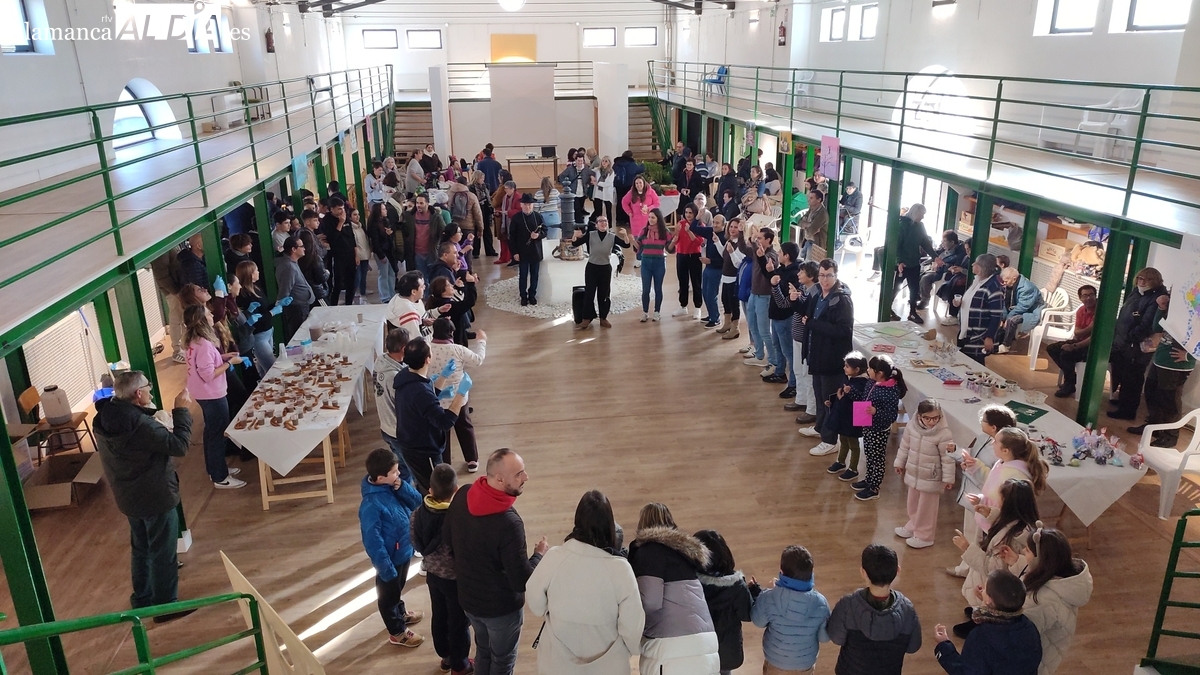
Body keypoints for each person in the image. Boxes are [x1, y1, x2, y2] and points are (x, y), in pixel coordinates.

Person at [94, 372, 195, 622]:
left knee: (141, 549)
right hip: (155, 495)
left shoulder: (104, 416)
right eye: (148, 387)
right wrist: (181, 411)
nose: (150, 391)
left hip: (128, 495)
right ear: (138, 394)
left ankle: (142, 599)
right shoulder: (140, 425)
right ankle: (165, 607)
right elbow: (179, 446)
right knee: (163, 552)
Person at [444, 448, 549, 675]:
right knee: (502, 661)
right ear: (500, 479)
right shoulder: (509, 523)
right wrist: (539, 555)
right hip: (501, 610)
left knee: (483, 650)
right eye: (519, 474)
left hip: (469, 600)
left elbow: (447, 540)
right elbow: (521, 581)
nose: (526, 477)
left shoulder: (463, 494)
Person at [526, 491, 645, 675]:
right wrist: (632, 649)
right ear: (609, 523)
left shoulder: (555, 557)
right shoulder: (621, 570)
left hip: (556, 662)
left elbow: (535, 603)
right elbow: (632, 625)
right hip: (609, 665)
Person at [627, 503, 721, 675]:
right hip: (706, 645)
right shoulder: (685, 554)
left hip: (671, 649)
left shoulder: (649, 551)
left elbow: (650, 602)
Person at [951, 478, 1040, 638]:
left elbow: (992, 569)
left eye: (1001, 500)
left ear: (1008, 504)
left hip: (993, 585)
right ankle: (979, 610)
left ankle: (981, 620)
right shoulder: (1025, 525)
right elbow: (1008, 522)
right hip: (998, 581)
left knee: (989, 600)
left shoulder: (1008, 539)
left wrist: (967, 548)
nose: (998, 503)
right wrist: (991, 514)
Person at [359, 448, 425, 648]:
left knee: (397, 590)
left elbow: (417, 503)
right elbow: (372, 541)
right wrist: (385, 568)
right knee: (388, 597)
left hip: (403, 551)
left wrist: (402, 487)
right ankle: (397, 632)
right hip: (389, 561)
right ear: (380, 478)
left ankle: (401, 613)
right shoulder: (370, 505)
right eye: (395, 472)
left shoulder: (394, 486)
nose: (399, 474)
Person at [410, 464, 474, 675]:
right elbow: (463, 552)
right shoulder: (457, 519)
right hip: (455, 580)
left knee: (439, 615)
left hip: (433, 576)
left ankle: (445, 657)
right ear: (456, 490)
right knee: (458, 622)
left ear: (430, 490)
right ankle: (460, 664)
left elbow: (414, 541)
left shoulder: (418, 513)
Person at [1003, 528, 1092, 675]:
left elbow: (1016, 635)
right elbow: (1034, 576)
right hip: (1046, 654)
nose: (1023, 551)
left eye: (1028, 550)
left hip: (1031, 664)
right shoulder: (1063, 580)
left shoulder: (1040, 601)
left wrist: (992, 605)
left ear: (1041, 559)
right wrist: (1017, 562)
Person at [826, 544, 922, 675]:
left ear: (863, 572)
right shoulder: (908, 610)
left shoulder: (847, 605)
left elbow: (836, 638)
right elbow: (913, 647)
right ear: (897, 571)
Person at [181, 304, 246, 489]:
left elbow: (205, 362)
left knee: (211, 432)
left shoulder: (194, 341)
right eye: (208, 313)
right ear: (202, 320)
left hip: (202, 393)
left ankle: (215, 468)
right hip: (211, 394)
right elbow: (208, 374)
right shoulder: (204, 345)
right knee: (218, 433)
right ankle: (220, 477)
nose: (211, 314)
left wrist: (223, 357)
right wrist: (230, 363)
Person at [933, 570, 1042, 675]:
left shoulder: (980, 637)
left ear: (989, 599)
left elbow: (966, 672)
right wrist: (987, 601)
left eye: (985, 588)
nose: (982, 589)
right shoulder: (1029, 627)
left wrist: (944, 646)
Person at [394, 338, 467, 493]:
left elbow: (422, 403)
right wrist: (461, 394)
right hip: (423, 450)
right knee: (434, 489)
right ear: (428, 359)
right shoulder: (420, 391)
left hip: (409, 442)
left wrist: (443, 378)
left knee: (424, 485)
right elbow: (445, 422)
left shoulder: (404, 375)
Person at [800, 259, 855, 457]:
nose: (825, 280)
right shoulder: (817, 293)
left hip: (832, 359)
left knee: (830, 400)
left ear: (836, 275)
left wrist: (813, 324)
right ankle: (820, 428)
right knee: (819, 395)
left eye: (829, 275)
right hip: (816, 355)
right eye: (822, 275)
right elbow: (806, 316)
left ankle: (830, 440)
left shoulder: (841, 300)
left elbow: (843, 331)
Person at [751, 545, 830, 675]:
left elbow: (757, 621)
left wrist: (766, 591)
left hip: (775, 661)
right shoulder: (821, 603)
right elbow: (824, 637)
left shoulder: (769, 597)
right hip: (805, 664)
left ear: (781, 572)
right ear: (811, 572)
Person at [1131, 293, 1197, 443]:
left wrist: (1189, 356)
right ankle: (1154, 427)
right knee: (1151, 392)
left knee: (1169, 400)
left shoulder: (1194, 315)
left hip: (1176, 366)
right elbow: (1157, 328)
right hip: (1160, 360)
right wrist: (1161, 309)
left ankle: (1170, 436)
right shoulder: (1173, 310)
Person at [894, 399, 957, 548]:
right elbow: (904, 446)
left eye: (935, 418)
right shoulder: (911, 427)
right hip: (914, 472)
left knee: (927, 508)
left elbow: (947, 458)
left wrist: (948, 478)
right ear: (919, 416)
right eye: (927, 418)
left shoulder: (944, 434)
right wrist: (899, 463)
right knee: (913, 503)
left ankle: (925, 536)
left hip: (932, 477)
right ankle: (913, 525)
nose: (931, 422)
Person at [693, 529, 757, 675]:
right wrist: (753, 592)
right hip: (727, 652)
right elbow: (747, 614)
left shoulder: (690, 583)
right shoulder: (737, 587)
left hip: (700, 648)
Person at [1108, 267, 1168, 420]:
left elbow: (1148, 325)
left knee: (1133, 378)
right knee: (1124, 374)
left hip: (1137, 346)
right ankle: (1123, 402)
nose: (1141, 282)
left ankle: (1128, 411)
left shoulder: (1157, 298)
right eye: (1140, 278)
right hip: (1124, 342)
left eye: (1146, 279)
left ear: (1155, 281)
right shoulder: (1137, 292)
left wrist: (1131, 337)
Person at [427, 318, 485, 472]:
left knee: (442, 432)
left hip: (436, 399)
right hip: (458, 398)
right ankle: (472, 460)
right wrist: (481, 341)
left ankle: (445, 465)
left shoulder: (427, 349)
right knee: (464, 426)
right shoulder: (458, 349)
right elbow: (478, 360)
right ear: (451, 333)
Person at [852, 355, 907, 501]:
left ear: (880, 373)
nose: (868, 370)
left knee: (877, 458)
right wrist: (850, 392)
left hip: (878, 429)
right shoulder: (871, 382)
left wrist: (876, 412)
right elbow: (864, 398)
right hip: (867, 425)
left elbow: (891, 415)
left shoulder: (890, 390)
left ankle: (874, 488)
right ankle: (868, 480)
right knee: (869, 454)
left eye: (871, 368)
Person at [571, 216, 631, 329]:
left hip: (605, 268)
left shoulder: (612, 236)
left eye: (605, 221)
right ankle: (586, 318)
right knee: (589, 293)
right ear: (596, 224)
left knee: (604, 294)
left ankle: (603, 318)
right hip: (592, 267)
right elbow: (575, 244)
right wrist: (575, 235)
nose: (603, 223)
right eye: (600, 221)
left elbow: (626, 245)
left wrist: (625, 235)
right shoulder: (590, 235)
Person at [822, 351, 871, 482]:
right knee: (843, 440)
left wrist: (851, 392)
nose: (844, 368)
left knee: (853, 444)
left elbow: (862, 400)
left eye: (847, 366)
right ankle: (841, 461)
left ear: (857, 369)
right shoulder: (848, 378)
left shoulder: (863, 383)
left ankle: (853, 469)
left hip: (853, 419)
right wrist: (833, 401)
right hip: (843, 416)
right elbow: (841, 394)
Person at [234, 261, 288, 375]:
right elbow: (255, 320)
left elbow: (264, 308)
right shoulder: (244, 295)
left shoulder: (256, 288)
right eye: (256, 270)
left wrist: (278, 304)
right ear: (250, 274)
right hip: (258, 336)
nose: (258, 272)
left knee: (264, 369)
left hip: (268, 331)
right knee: (272, 368)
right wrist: (272, 313)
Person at [954, 254, 1006, 364]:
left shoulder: (993, 288)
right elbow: (972, 301)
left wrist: (989, 337)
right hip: (967, 331)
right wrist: (959, 303)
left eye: (976, 263)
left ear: (982, 267)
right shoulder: (977, 281)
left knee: (974, 364)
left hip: (979, 335)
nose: (972, 264)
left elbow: (996, 316)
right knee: (964, 363)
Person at [1048, 285, 1098, 398]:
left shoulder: (1100, 312)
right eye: (1085, 295)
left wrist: (1075, 346)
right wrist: (1089, 328)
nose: (1088, 298)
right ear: (1080, 298)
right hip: (1079, 340)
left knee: (1066, 354)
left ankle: (1069, 384)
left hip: (1092, 346)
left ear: (1095, 296)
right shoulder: (1081, 310)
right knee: (1052, 348)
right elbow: (1077, 332)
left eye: (1091, 295)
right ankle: (1071, 377)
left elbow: (1094, 338)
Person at [765, 241, 801, 393]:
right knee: (777, 346)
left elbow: (784, 300)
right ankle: (780, 372)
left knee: (789, 352)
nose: (778, 254)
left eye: (780, 252)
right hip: (776, 315)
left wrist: (774, 281)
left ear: (787, 256)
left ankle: (793, 384)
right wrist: (770, 272)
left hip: (785, 317)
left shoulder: (794, 274)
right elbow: (774, 283)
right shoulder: (782, 269)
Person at [785, 262, 821, 416]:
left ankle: (811, 409)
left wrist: (795, 300)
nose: (798, 274)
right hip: (798, 337)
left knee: (807, 374)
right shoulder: (804, 289)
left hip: (807, 339)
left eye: (802, 272)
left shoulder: (816, 292)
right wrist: (794, 297)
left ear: (811, 276)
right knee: (798, 370)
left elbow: (805, 311)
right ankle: (801, 400)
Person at [743, 228, 780, 373]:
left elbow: (769, 270)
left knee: (764, 330)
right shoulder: (757, 251)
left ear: (768, 240)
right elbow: (745, 248)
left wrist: (762, 256)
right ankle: (759, 354)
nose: (757, 240)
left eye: (760, 238)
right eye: (757, 238)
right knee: (752, 325)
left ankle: (773, 360)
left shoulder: (772, 255)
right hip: (754, 293)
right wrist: (744, 234)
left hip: (764, 296)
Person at [893, 204, 935, 324]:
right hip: (902, 264)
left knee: (914, 289)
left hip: (914, 263)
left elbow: (925, 242)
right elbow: (896, 245)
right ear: (916, 213)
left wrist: (935, 256)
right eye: (922, 214)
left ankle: (912, 312)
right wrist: (899, 261)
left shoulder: (920, 226)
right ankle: (887, 308)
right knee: (895, 288)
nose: (923, 217)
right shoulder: (902, 225)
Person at [716, 216, 753, 339]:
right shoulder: (730, 241)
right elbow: (724, 254)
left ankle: (735, 328)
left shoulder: (741, 245)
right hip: (725, 277)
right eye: (731, 226)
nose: (732, 229)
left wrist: (732, 252)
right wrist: (717, 242)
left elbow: (738, 263)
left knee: (733, 304)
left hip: (734, 278)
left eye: (735, 227)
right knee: (725, 300)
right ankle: (727, 323)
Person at [632, 209, 670, 322]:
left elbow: (670, 248)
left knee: (658, 289)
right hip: (646, 262)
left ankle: (657, 312)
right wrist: (632, 241)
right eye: (649, 217)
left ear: (658, 218)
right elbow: (638, 247)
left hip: (659, 262)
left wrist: (674, 240)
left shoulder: (665, 232)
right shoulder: (644, 231)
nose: (650, 219)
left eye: (653, 217)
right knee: (645, 289)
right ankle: (645, 312)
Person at [918, 231, 969, 313]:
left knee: (925, 278)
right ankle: (918, 295)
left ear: (952, 242)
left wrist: (942, 266)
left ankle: (925, 300)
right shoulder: (943, 248)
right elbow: (936, 254)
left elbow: (955, 267)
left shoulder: (959, 253)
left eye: (944, 241)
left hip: (942, 273)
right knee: (917, 272)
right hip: (933, 267)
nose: (942, 243)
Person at [997, 267, 1045, 353]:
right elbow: (1004, 303)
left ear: (1014, 279)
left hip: (1031, 311)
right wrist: (1002, 318)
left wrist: (1007, 318)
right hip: (1017, 308)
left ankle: (1006, 346)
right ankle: (997, 341)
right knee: (998, 316)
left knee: (1012, 320)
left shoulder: (1027, 288)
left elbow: (1023, 306)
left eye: (1006, 281)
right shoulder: (1009, 286)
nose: (1004, 283)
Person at [510, 193, 546, 306]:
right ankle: (523, 296)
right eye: (525, 204)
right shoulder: (516, 218)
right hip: (522, 252)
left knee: (535, 275)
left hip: (535, 251)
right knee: (523, 275)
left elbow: (545, 231)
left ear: (533, 205)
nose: (528, 207)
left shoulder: (538, 216)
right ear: (521, 205)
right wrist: (514, 252)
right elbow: (512, 237)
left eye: (530, 204)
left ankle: (532, 295)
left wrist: (538, 236)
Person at [274, 235, 313, 341]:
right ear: (293, 249)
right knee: (299, 338)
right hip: (296, 309)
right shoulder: (288, 267)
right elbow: (284, 291)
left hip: (301, 307)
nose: (304, 248)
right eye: (302, 246)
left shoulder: (292, 263)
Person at [671, 203, 706, 320]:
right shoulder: (680, 224)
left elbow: (699, 243)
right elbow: (675, 240)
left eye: (690, 212)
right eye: (686, 212)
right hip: (681, 255)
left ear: (695, 213)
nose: (688, 215)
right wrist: (676, 233)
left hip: (695, 256)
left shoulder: (700, 225)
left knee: (696, 282)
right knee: (682, 281)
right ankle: (683, 306)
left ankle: (697, 307)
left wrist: (689, 231)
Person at [699, 214, 726, 328]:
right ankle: (711, 314)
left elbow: (725, 258)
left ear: (723, 225)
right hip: (708, 267)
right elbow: (694, 228)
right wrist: (698, 217)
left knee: (711, 294)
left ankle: (715, 318)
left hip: (716, 269)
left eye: (717, 223)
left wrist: (711, 261)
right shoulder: (711, 232)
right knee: (704, 293)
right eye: (714, 222)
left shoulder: (724, 238)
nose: (714, 225)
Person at [621, 174, 660, 250]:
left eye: (640, 183)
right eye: (636, 183)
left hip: (648, 223)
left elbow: (657, 203)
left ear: (644, 183)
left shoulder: (651, 192)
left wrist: (649, 208)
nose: (638, 185)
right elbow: (624, 202)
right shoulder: (631, 193)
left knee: (648, 246)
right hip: (636, 224)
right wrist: (629, 212)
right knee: (638, 246)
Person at [447, 176, 484, 256]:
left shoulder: (449, 194)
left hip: (454, 227)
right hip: (468, 227)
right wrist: (480, 229)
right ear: (466, 184)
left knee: (455, 252)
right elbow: (478, 214)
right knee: (467, 253)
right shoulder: (472, 196)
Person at [387, 271, 428, 336]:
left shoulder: (397, 297)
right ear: (413, 292)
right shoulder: (409, 313)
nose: (424, 288)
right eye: (422, 286)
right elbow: (416, 339)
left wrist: (422, 321)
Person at [558, 154, 595, 226]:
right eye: (578, 161)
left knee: (580, 209)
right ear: (575, 160)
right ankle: (580, 225)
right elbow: (561, 176)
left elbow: (592, 174)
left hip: (583, 193)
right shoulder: (570, 169)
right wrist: (565, 185)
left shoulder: (586, 169)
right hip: (573, 193)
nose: (580, 162)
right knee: (577, 209)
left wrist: (590, 180)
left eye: (581, 161)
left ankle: (576, 224)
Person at [612, 151, 645, 228]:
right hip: (629, 186)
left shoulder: (617, 163)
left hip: (618, 185)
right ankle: (627, 220)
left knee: (620, 201)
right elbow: (639, 169)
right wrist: (642, 164)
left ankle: (619, 220)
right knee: (628, 202)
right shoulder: (631, 164)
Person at [469, 170, 497, 257]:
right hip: (477, 210)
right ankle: (475, 252)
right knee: (477, 230)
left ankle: (490, 250)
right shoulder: (471, 188)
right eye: (481, 178)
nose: (483, 180)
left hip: (485, 210)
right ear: (476, 178)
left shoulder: (485, 186)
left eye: (483, 178)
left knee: (487, 231)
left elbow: (488, 198)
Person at [798, 191, 828, 261]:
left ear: (819, 200)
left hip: (816, 243)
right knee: (804, 261)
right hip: (807, 240)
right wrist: (809, 224)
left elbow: (811, 231)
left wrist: (806, 224)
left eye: (811, 198)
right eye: (809, 197)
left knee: (810, 264)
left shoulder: (822, 213)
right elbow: (799, 222)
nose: (808, 200)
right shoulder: (811, 209)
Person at [591, 156, 617, 226]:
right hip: (598, 193)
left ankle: (610, 227)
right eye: (603, 161)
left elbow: (608, 183)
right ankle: (598, 225)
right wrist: (592, 177)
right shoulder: (597, 170)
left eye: (606, 161)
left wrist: (597, 183)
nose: (604, 163)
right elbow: (590, 171)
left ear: (609, 163)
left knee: (608, 211)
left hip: (607, 193)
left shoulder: (611, 172)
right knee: (598, 211)